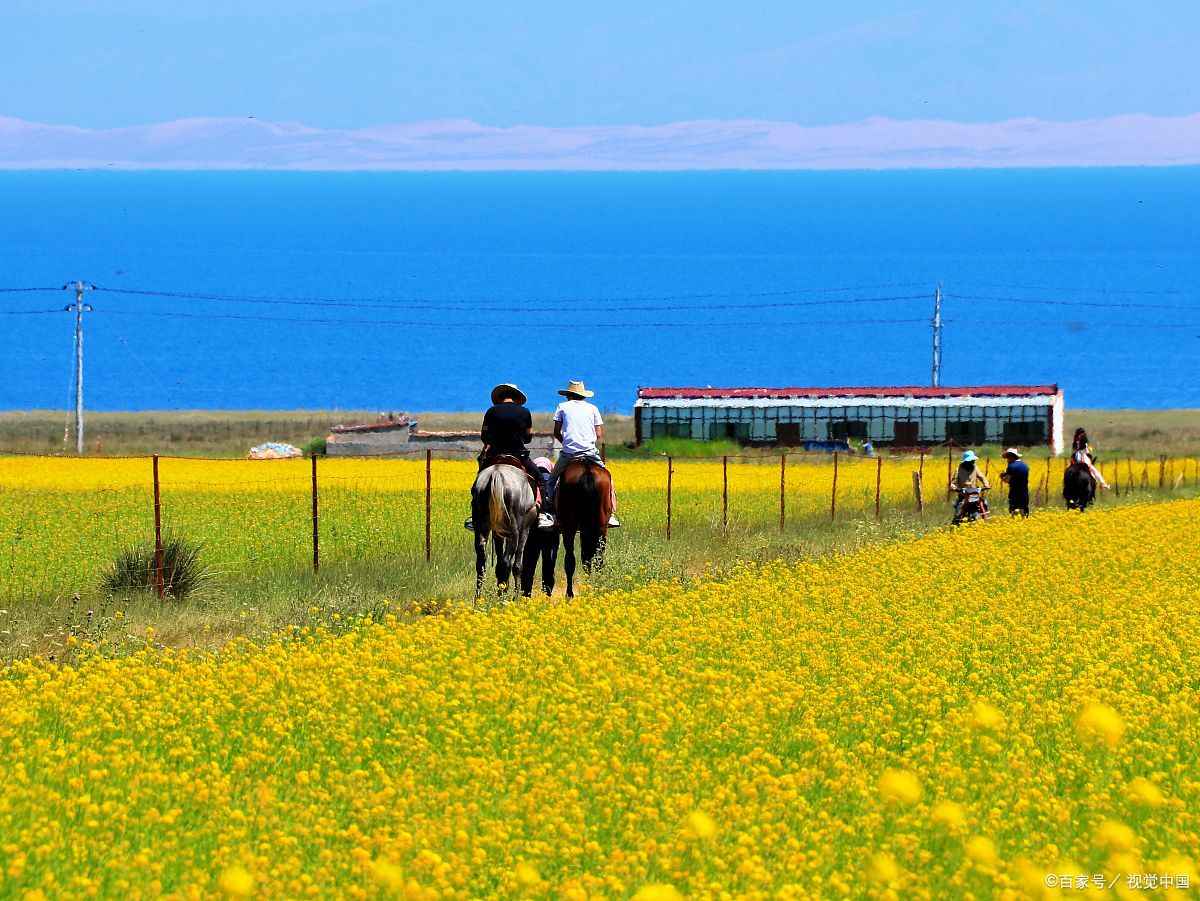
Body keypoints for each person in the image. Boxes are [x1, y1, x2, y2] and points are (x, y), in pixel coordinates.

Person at [464, 383, 553, 532]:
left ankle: (476, 518)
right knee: (539, 479)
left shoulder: (491, 411)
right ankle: (543, 513)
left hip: (495, 455)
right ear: (516, 398)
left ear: (500, 397)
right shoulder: (525, 412)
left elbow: (484, 436)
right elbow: (528, 437)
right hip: (518, 454)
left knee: (477, 484)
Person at [544, 379, 619, 528]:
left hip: (569, 453)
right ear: (583, 395)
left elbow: (556, 432)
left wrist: (566, 441)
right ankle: (610, 514)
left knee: (551, 481)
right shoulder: (593, 408)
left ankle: (549, 513)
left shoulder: (562, 407)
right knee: (608, 479)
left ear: (568, 395)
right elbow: (598, 434)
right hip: (590, 452)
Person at [950, 449, 990, 517]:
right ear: (966, 462)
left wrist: (986, 484)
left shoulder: (975, 467)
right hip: (963, 494)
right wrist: (954, 488)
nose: (972, 462)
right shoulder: (958, 469)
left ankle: (985, 520)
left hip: (974, 492)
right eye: (971, 461)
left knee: (984, 503)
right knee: (959, 510)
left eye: (973, 460)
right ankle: (956, 522)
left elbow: (982, 477)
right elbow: (953, 482)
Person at [999, 447, 1030, 517]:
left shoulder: (1011, 466)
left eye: (1007, 458)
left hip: (1014, 492)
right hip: (1024, 492)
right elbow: (1017, 476)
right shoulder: (1025, 466)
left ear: (1011, 457)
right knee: (1023, 510)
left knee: (1014, 511)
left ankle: (1014, 524)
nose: (1007, 460)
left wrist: (1002, 477)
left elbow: (1007, 480)